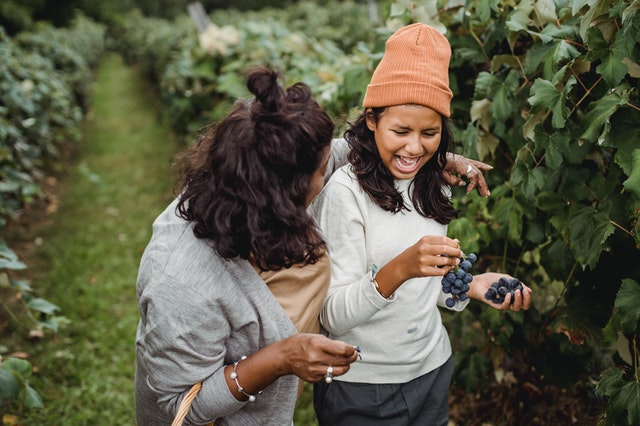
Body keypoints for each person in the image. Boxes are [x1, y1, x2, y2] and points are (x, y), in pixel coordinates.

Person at [311, 23, 533, 425]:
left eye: (430, 133)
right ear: (372, 119)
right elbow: (330, 315)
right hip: (361, 386)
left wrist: (470, 286)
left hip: (431, 371)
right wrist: (399, 269)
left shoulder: (434, 185)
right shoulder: (345, 194)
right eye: (401, 131)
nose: (415, 148)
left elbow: (424, 290)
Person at [134, 68, 360, 426]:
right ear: (282, 193)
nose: (326, 173)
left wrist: (428, 163)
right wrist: (282, 357)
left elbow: (332, 154)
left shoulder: (242, 186)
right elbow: (182, 407)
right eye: (320, 172)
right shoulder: (182, 282)